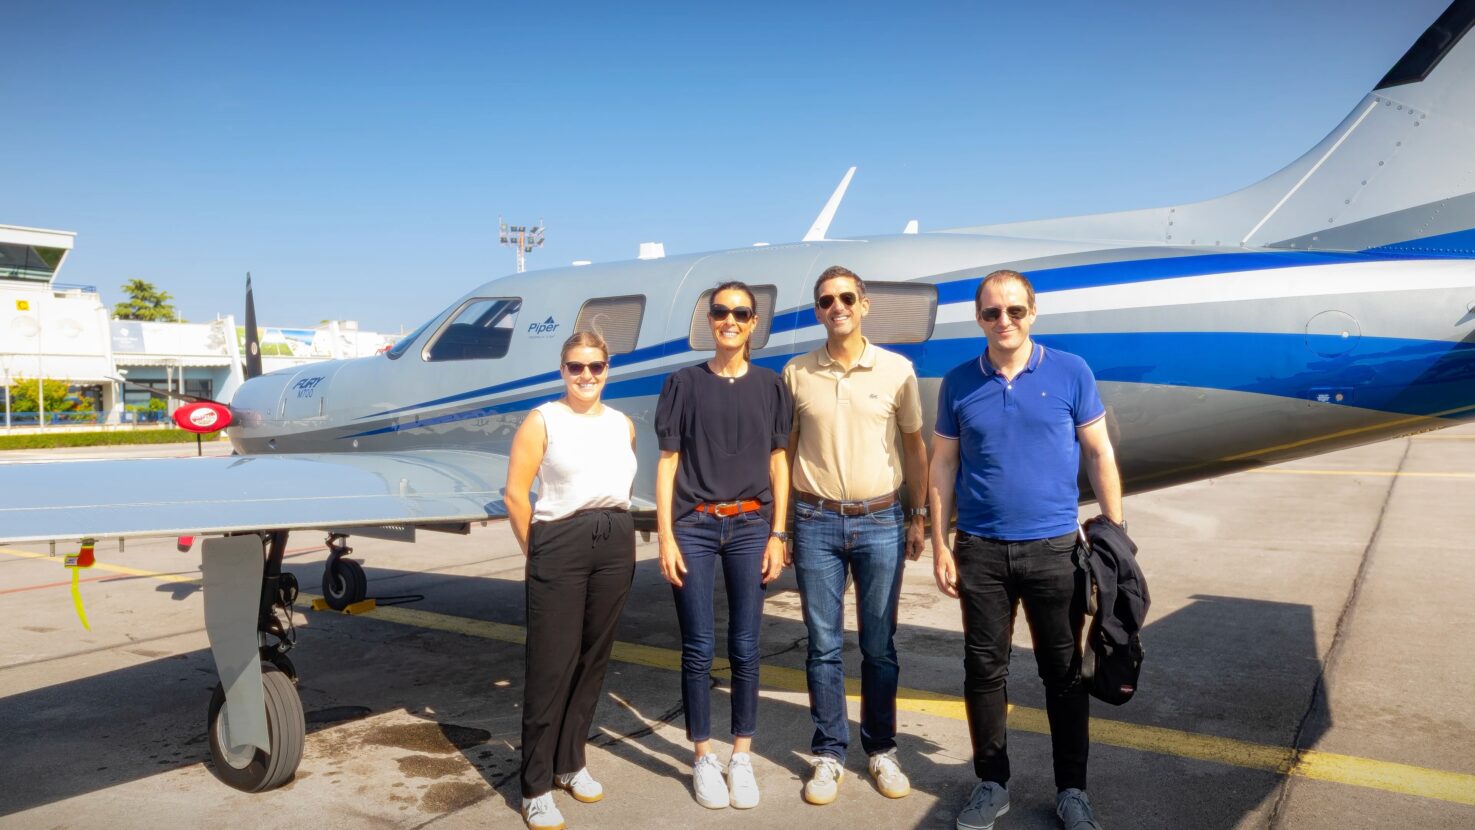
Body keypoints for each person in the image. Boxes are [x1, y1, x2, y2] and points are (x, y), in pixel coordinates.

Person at [929, 270, 1124, 830]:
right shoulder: (960, 382)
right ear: (979, 320)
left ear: (1032, 313)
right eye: (992, 313)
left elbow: (1099, 453)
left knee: (1063, 674)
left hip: (1055, 550)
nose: (1004, 321)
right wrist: (941, 543)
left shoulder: (1070, 371)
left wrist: (1116, 534)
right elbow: (943, 464)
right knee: (984, 672)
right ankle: (992, 783)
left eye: (1014, 310)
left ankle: (1072, 791)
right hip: (982, 552)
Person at [781, 265, 929, 805]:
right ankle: (828, 752)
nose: (836, 306)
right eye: (826, 301)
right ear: (818, 310)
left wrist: (919, 517)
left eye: (846, 297)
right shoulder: (796, 373)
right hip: (815, 521)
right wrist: (783, 527)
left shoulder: (896, 371)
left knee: (878, 646)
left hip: (881, 520)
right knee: (823, 648)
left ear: (864, 304)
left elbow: (914, 448)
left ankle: (882, 749)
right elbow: (786, 452)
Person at [655, 280, 791, 810]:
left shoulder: (770, 386)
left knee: (747, 646)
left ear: (753, 322)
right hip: (694, 526)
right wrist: (666, 533)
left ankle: (742, 756)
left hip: (752, 525)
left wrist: (779, 533)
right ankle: (702, 757)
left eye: (739, 313)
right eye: (720, 312)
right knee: (697, 647)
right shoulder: (683, 384)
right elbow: (667, 465)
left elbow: (780, 462)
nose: (729, 320)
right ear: (709, 321)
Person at [506, 331, 638, 830]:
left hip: (615, 538)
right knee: (550, 665)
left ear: (608, 369)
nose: (587, 376)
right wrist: (536, 551)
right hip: (559, 541)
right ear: (562, 370)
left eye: (596, 367)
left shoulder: (622, 425)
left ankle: (571, 762)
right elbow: (517, 494)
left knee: (592, 660)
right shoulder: (543, 420)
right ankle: (535, 786)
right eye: (576, 367)